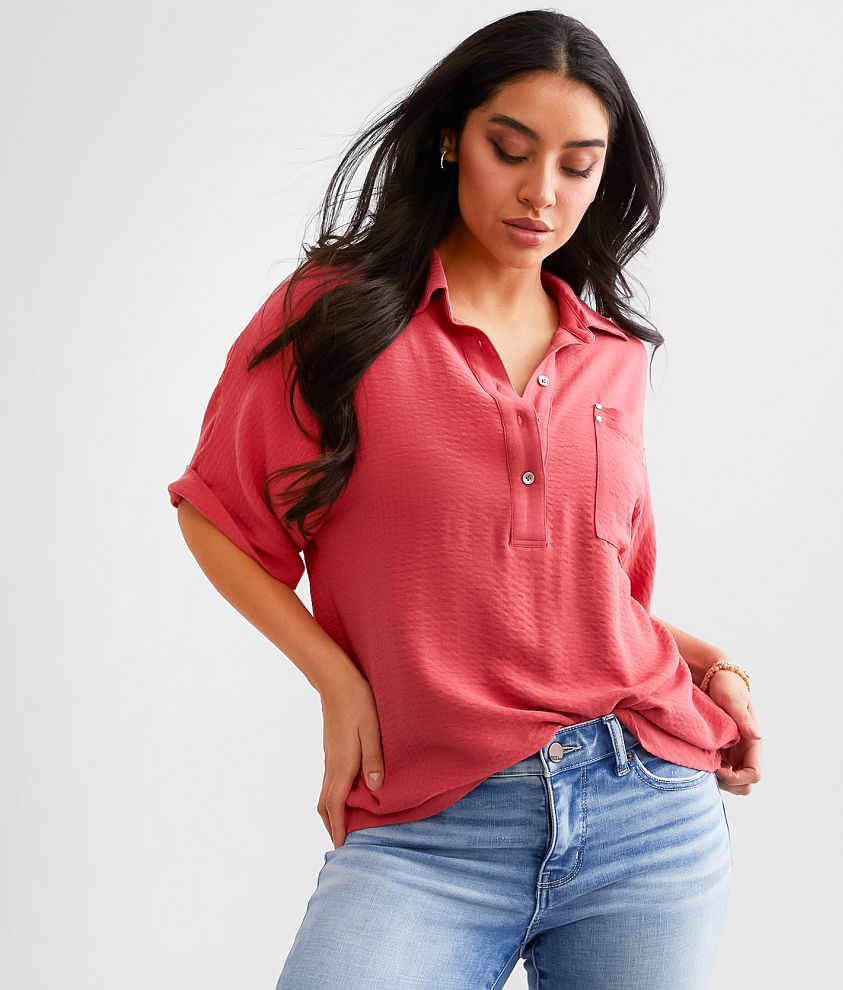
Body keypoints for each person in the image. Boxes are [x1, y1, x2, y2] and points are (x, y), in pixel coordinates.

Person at [166, 10, 763, 989]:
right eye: (509, 150)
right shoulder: (335, 317)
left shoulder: (611, 357)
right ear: (450, 138)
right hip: (427, 826)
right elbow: (214, 515)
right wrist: (336, 680)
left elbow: (574, 588)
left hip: (646, 812)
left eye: (577, 165)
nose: (541, 192)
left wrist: (712, 664)